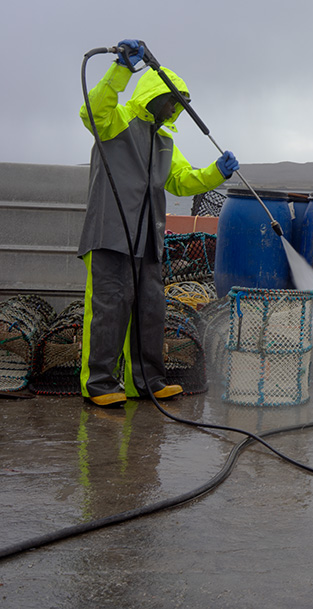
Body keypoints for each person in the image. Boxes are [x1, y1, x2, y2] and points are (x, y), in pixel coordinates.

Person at [78, 39, 239, 406]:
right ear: (154, 96)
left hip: (148, 242)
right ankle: (99, 384)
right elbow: (92, 111)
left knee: (150, 311)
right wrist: (121, 69)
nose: (173, 110)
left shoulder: (164, 141)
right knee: (108, 310)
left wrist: (216, 172)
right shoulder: (115, 122)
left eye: (178, 105)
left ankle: (146, 382)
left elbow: (181, 181)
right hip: (109, 235)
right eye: (171, 102)